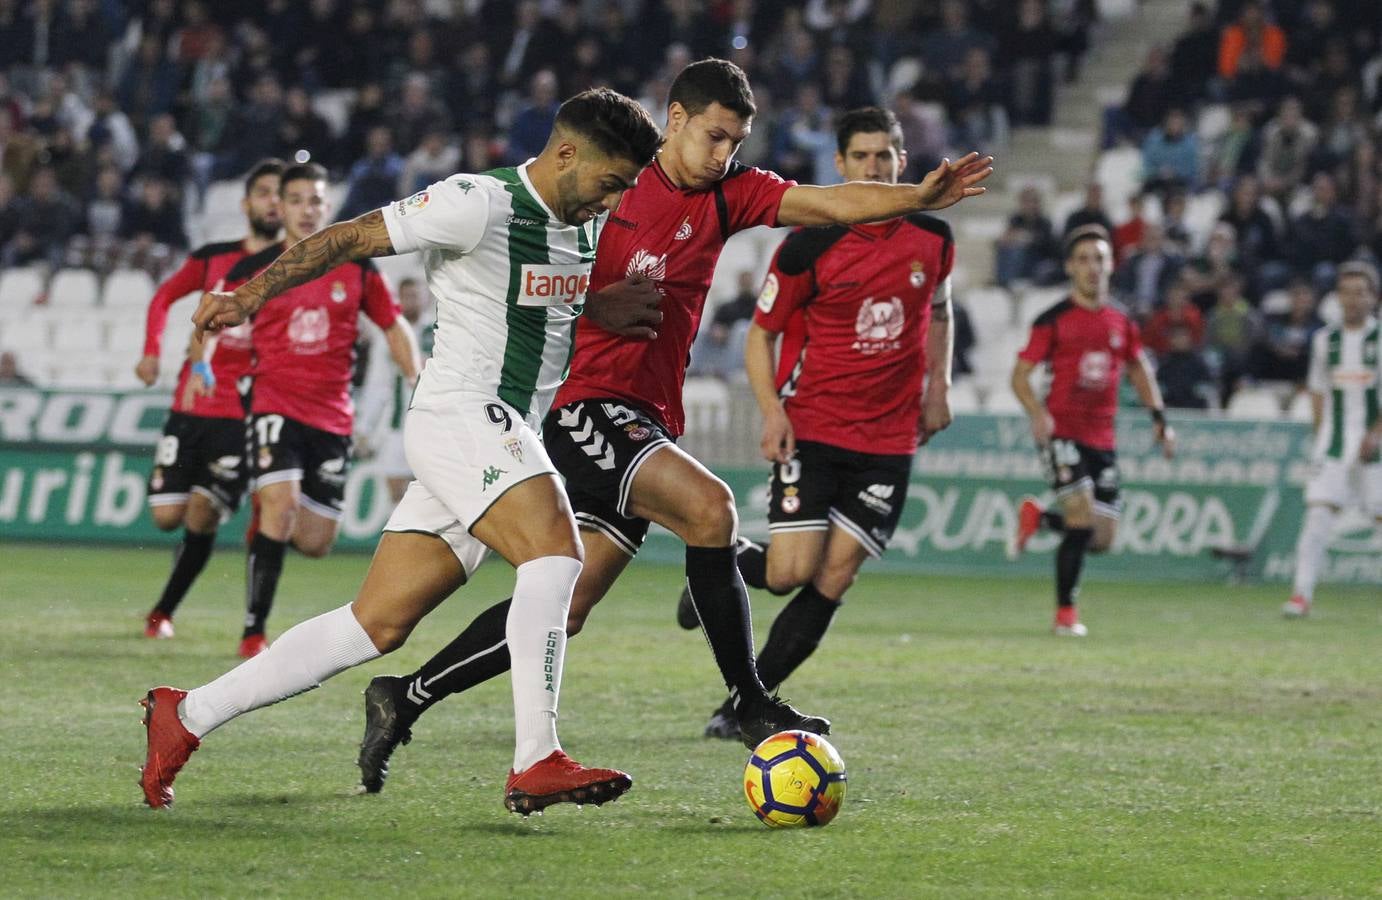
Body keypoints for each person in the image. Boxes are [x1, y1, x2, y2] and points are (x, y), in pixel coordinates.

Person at [352, 59, 991, 793]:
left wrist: (913, 197)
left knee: (573, 603)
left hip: (646, 417)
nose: (726, 155)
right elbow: (526, 264)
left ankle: (405, 697)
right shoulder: (612, 186)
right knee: (711, 509)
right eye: (715, 137)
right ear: (677, 121)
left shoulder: (731, 196)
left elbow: (830, 203)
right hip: (585, 404)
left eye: (738, 142)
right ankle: (752, 704)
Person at [139, 87, 664, 816]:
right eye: (609, 183)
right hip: (461, 415)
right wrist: (250, 296)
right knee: (558, 555)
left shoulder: (577, 228)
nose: (610, 202)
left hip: (496, 427)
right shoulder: (476, 201)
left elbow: (540, 300)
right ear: (567, 153)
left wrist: (597, 305)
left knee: (375, 624)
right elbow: (348, 238)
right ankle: (536, 758)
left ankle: (185, 714)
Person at [673, 107, 958, 738]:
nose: (874, 167)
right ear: (840, 165)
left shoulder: (934, 239)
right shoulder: (808, 244)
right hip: (815, 429)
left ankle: (743, 709)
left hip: (889, 440)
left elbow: (939, 311)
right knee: (789, 574)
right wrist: (773, 412)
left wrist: (938, 384)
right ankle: (732, 564)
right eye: (861, 157)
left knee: (834, 577)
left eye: (885, 156)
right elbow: (761, 337)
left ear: (901, 162)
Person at [229, 161, 421, 659]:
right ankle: (253, 631)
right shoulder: (260, 268)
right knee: (282, 506)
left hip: (332, 416)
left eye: (316, 200)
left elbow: (394, 327)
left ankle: (270, 518)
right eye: (296, 201)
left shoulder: (356, 266)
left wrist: (416, 377)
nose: (307, 209)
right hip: (274, 401)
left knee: (315, 541)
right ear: (281, 207)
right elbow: (223, 323)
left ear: (327, 206)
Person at [137, 158, 285, 641]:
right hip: (189, 407)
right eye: (263, 191)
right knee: (166, 517)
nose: (272, 201)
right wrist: (152, 353)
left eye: (280, 193)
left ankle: (162, 611)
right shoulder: (214, 256)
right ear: (246, 203)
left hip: (242, 415)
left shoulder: (298, 266)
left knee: (203, 512)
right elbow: (163, 299)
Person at [1006, 225, 1176, 636]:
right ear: (1069, 267)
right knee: (1081, 515)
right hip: (1061, 433)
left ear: (1111, 264)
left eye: (1099, 258)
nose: (1092, 267)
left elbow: (1138, 368)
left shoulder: (1122, 321)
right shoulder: (1053, 320)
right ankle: (1066, 615)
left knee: (1101, 539)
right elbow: (1019, 377)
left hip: (1103, 439)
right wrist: (1036, 413)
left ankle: (1041, 519)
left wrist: (1160, 420)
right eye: (1083, 259)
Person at [1283, 262, 1382, 617]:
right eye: (1346, 292)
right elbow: (1318, 391)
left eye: (1360, 292)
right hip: (1335, 442)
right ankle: (1301, 595)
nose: (1352, 300)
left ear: (1373, 297)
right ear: (1337, 298)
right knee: (1318, 517)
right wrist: (1322, 437)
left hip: (1375, 444)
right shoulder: (1326, 341)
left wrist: (1376, 434)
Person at [355, 277, 434, 503]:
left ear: (426, 298)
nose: (410, 301)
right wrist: (365, 427)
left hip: (433, 426)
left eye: (415, 295)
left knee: (431, 492)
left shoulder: (440, 332)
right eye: (405, 296)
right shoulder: (388, 336)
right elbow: (377, 383)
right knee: (396, 493)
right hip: (397, 426)